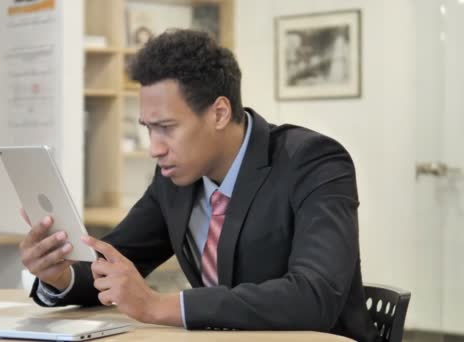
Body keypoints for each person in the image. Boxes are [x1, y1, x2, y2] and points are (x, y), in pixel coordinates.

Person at [19, 29, 379, 342]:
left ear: (219, 113)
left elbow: (314, 297)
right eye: (147, 127)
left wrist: (160, 306)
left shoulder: (314, 162)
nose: (153, 148)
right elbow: (115, 263)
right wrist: (60, 275)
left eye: (166, 127)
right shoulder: (175, 178)